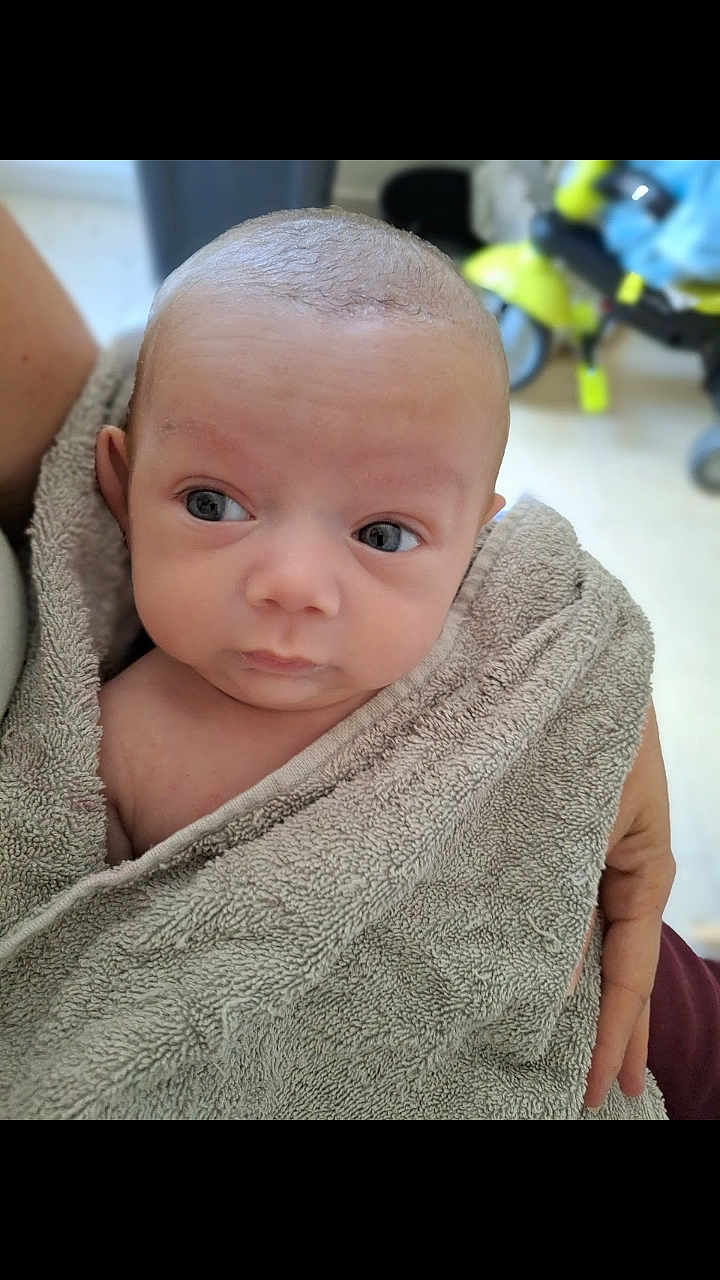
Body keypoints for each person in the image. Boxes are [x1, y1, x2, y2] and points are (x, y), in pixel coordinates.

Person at [0, 202, 715, 1118]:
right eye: (214, 504)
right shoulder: (109, 750)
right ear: (118, 483)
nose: (294, 585)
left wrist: (594, 697)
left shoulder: (503, 675)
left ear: (472, 549)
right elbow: (90, 981)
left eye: (383, 533)